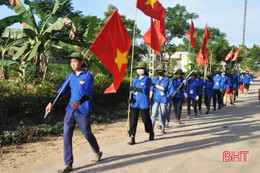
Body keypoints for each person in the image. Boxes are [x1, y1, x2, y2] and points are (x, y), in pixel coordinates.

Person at [45, 52, 102, 173]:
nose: (72, 64)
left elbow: (88, 94)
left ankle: (97, 151)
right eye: (71, 62)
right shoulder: (70, 76)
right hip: (70, 110)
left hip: (83, 110)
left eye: (75, 61)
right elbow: (61, 91)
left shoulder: (88, 76)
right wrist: (51, 102)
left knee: (87, 134)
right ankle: (68, 164)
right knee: (66, 136)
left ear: (81, 62)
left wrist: (80, 102)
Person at [128, 62, 154, 145]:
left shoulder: (147, 79)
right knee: (133, 120)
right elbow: (132, 90)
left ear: (144, 70)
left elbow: (145, 90)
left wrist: (135, 88)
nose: (139, 70)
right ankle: (132, 137)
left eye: (141, 69)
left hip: (143, 102)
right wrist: (130, 98)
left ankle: (150, 132)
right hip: (135, 102)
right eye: (138, 69)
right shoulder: (135, 79)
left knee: (145, 120)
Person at [150, 64, 170, 134]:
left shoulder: (166, 79)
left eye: (161, 70)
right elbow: (151, 89)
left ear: (163, 71)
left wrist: (155, 85)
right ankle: (151, 130)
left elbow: (163, 88)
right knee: (153, 114)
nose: (159, 71)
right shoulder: (154, 79)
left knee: (163, 113)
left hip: (163, 99)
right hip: (155, 99)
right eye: (158, 70)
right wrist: (149, 98)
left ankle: (163, 128)